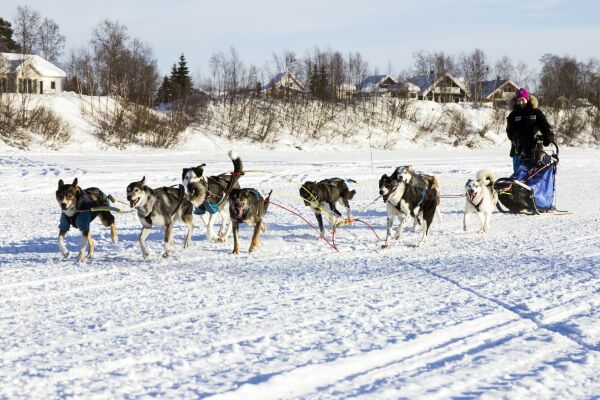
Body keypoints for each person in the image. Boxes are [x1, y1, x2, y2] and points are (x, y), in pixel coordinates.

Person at [506, 88, 555, 171]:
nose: (521, 103)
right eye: (518, 100)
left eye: (522, 99)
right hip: (518, 149)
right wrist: (517, 137)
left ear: (527, 99)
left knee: (534, 173)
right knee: (519, 174)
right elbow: (510, 132)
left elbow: (544, 125)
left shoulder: (536, 113)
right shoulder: (513, 115)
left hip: (534, 148)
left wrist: (548, 134)